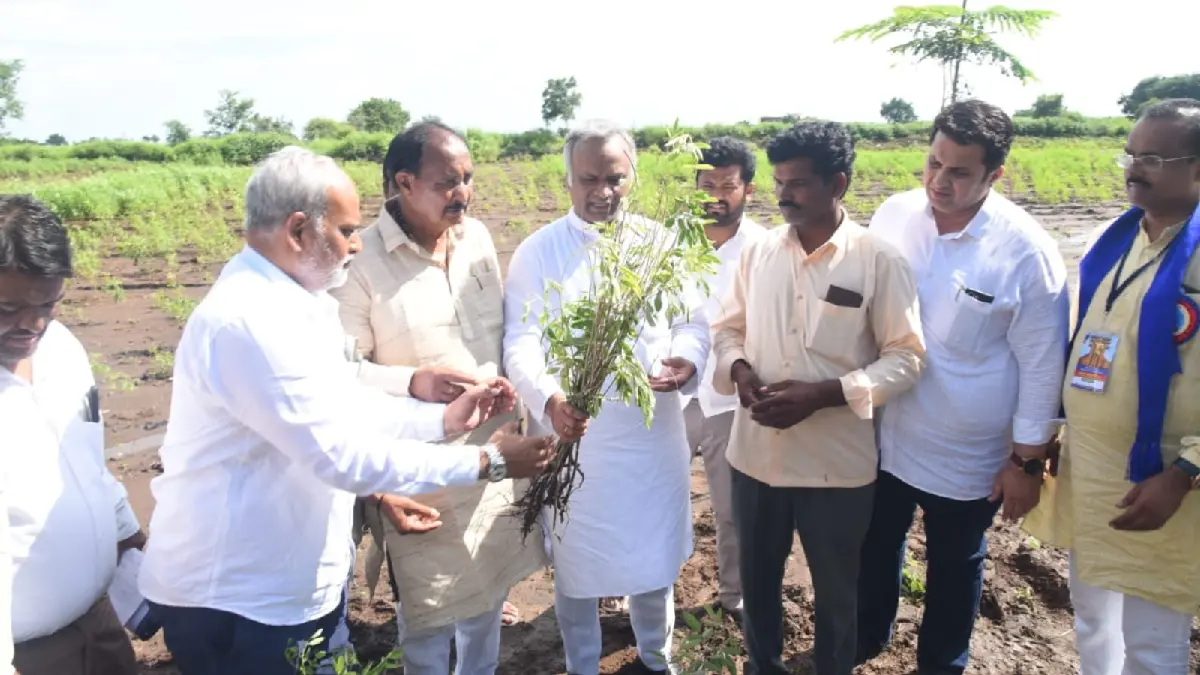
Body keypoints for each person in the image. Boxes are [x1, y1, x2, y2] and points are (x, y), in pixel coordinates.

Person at [136, 146, 554, 675]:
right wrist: (486, 463)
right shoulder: (249, 321)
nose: (358, 244)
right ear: (297, 232)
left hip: (286, 586)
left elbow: (343, 397)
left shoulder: (296, 300)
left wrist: (442, 421)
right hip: (243, 602)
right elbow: (343, 457)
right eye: (346, 230)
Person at [856, 99, 1070, 674]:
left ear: (994, 175)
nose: (938, 182)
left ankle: (942, 663)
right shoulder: (896, 215)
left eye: (958, 172)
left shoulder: (1026, 253)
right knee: (876, 543)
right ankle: (867, 635)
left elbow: (1044, 365)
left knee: (955, 561)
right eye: (933, 163)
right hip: (889, 431)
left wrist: (1026, 464)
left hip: (968, 450)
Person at [330, 122, 546, 675]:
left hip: (494, 450)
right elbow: (341, 374)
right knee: (426, 614)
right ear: (404, 182)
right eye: (450, 181)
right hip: (417, 466)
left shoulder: (474, 240)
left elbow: (500, 333)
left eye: (469, 178)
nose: (464, 192)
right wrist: (414, 382)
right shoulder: (360, 263)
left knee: (489, 593)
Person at [710, 121, 925, 675]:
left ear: (839, 184)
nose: (784, 194)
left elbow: (907, 357)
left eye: (799, 183)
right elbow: (728, 328)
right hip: (756, 457)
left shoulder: (878, 260)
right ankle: (764, 667)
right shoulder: (757, 254)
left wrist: (826, 394)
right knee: (758, 585)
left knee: (837, 593)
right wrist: (739, 372)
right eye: (780, 181)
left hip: (837, 467)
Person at [502, 119, 710, 674]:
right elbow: (520, 341)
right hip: (576, 442)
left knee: (652, 557)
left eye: (614, 178)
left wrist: (688, 359)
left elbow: (694, 322)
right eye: (588, 178)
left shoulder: (660, 245)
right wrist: (549, 400)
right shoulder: (538, 252)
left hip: (650, 439)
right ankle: (582, 665)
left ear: (632, 177)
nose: (603, 192)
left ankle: (655, 657)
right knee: (577, 564)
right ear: (567, 180)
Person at [1023, 98, 1200, 675]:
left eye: (1152, 156)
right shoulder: (1116, 238)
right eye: (1130, 153)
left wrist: (1184, 474)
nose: (1133, 167)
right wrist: (1057, 427)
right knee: (1092, 621)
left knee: (1152, 641)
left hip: (1166, 485)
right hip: (1093, 473)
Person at [0, 194, 145, 675]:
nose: (33, 323)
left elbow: (87, 457)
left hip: (98, 626)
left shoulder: (61, 348)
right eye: (9, 307)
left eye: (49, 303)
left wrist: (126, 534)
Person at [680, 136, 765, 620]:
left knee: (732, 510)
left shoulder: (767, 249)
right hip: (671, 397)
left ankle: (735, 596)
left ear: (747, 190)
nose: (715, 194)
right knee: (656, 498)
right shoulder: (667, 246)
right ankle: (645, 591)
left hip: (731, 401)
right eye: (706, 184)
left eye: (726, 185)